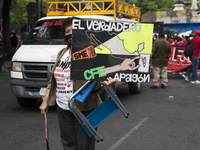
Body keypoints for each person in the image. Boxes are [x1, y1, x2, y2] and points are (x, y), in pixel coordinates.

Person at [39, 17, 117, 150]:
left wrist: (104, 83)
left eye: (74, 30)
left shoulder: (91, 53)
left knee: (84, 145)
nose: (70, 33)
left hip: (84, 108)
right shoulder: (61, 53)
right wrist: (45, 100)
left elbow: (95, 82)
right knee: (68, 144)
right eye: (67, 31)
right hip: (63, 109)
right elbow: (53, 79)